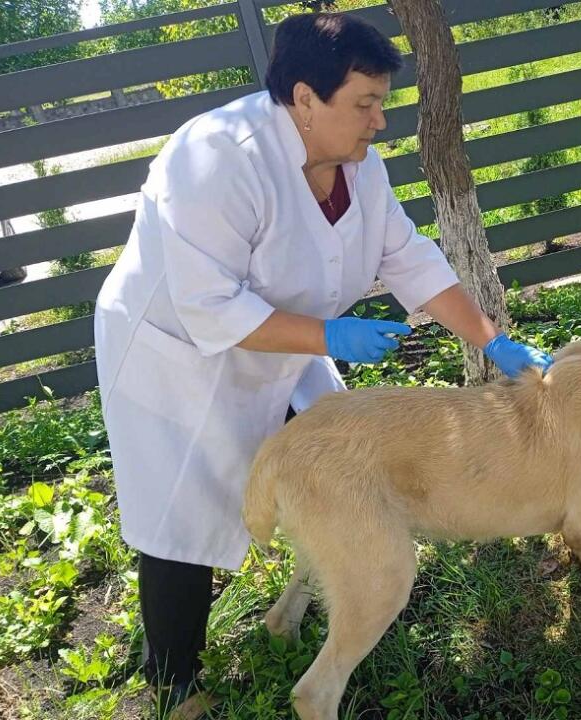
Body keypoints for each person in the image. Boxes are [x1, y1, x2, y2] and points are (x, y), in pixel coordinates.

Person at [94, 12, 551, 715]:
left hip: (291, 343)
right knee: (180, 519)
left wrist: (489, 339)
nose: (380, 122)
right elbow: (207, 305)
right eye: (365, 104)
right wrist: (329, 338)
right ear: (305, 98)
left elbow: (408, 256)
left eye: (382, 104)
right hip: (178, 357)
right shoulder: (215, 158)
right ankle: (173, 679)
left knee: (335, 457)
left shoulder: (357, 166)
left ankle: (318, 596)